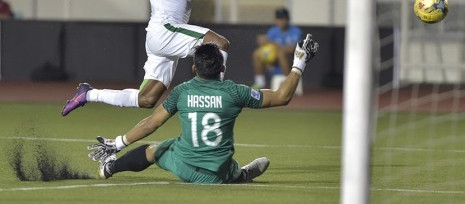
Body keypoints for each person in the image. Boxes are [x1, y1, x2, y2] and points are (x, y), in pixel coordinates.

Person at [55, 0, 271, 117]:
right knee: (220, 44)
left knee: (146, 100)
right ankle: (218, 96)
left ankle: (88, 94)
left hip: (169, 38)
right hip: (164, 31)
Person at [87, 34, 318, 184]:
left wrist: (118, 143)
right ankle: (241, 174)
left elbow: (151, 123)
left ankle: (109, 168)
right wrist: (299, 62)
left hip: (185, 167)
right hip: (218, 174)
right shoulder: (235, 92)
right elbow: (282, 96)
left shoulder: (182, 92)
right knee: (228, 167)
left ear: (194, 68)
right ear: (223, 67)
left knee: (153, 150)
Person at [252, 7, 302, 89]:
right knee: (257, 53)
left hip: (291, 62)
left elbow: (292, 49)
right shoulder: (272, 31)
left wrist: (272, 42)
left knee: (281, 53)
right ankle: (259, 82)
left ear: (288, 19)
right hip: (274, 61)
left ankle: (288, 83)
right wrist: (262, 42)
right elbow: (266, 47)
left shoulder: (296, 31)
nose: (281, 21)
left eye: (283, 19)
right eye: (278, 19)